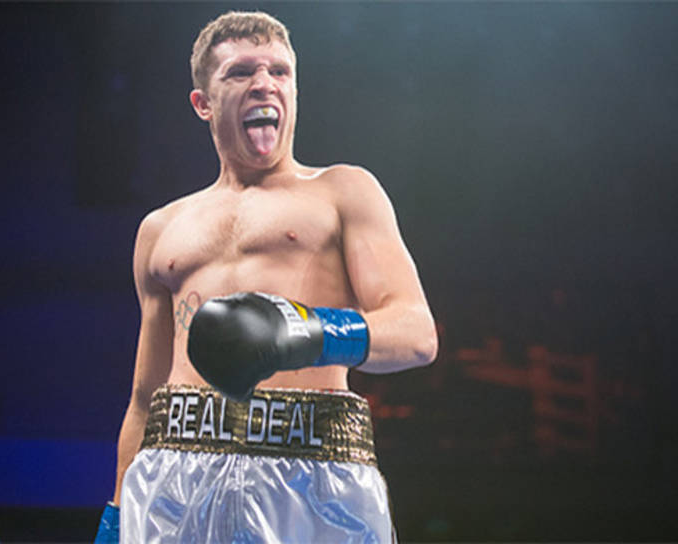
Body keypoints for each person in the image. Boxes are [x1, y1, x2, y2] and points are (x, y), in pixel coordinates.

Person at [93, 10, 437, 543]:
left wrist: (307, 332)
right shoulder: (160, 229)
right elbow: (145, 398)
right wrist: (117, 513)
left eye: (279, 71)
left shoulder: (344, 193)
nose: (264, 83)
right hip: (175, 478)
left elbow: (416, 334)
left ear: (294, 92)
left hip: (311, 479)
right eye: (240, 72)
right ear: (203, 103)